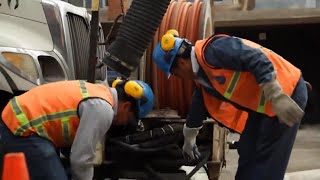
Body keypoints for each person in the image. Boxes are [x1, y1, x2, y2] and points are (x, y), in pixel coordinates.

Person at [152, 29, 308, 180]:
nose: (179, 78)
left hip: (286, 93)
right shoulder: (203, 77)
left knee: (267, 161)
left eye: (175, 74)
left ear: (181, 62)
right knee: (247, 150)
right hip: (263, 107)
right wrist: (189, 135)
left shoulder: (213, 49)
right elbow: (198, 104)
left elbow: (256, 58)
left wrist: (275, 94)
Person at [0, 79, 154, 180]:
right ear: (126, 106)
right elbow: (81, 160)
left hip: (17, 119)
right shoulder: (102, 109)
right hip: (23, 127)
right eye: (130, 119)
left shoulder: (99, 91)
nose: (125, 123)